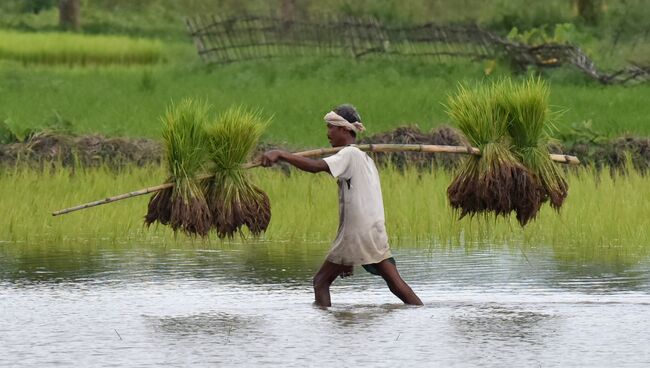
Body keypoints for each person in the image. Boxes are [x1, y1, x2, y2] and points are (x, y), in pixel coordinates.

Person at [261, 104, 423, 308]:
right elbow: (353, 203)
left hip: (357, 233)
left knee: (320, 282)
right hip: (373, 230)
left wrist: (282, 154)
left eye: (331, 127)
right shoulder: (364, 158)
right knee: (395, 284)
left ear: (345, 130)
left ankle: (326, 327)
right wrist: (349, 256)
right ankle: (421, 312)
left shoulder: (350, 155)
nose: (328, 133)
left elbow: (316, 167)